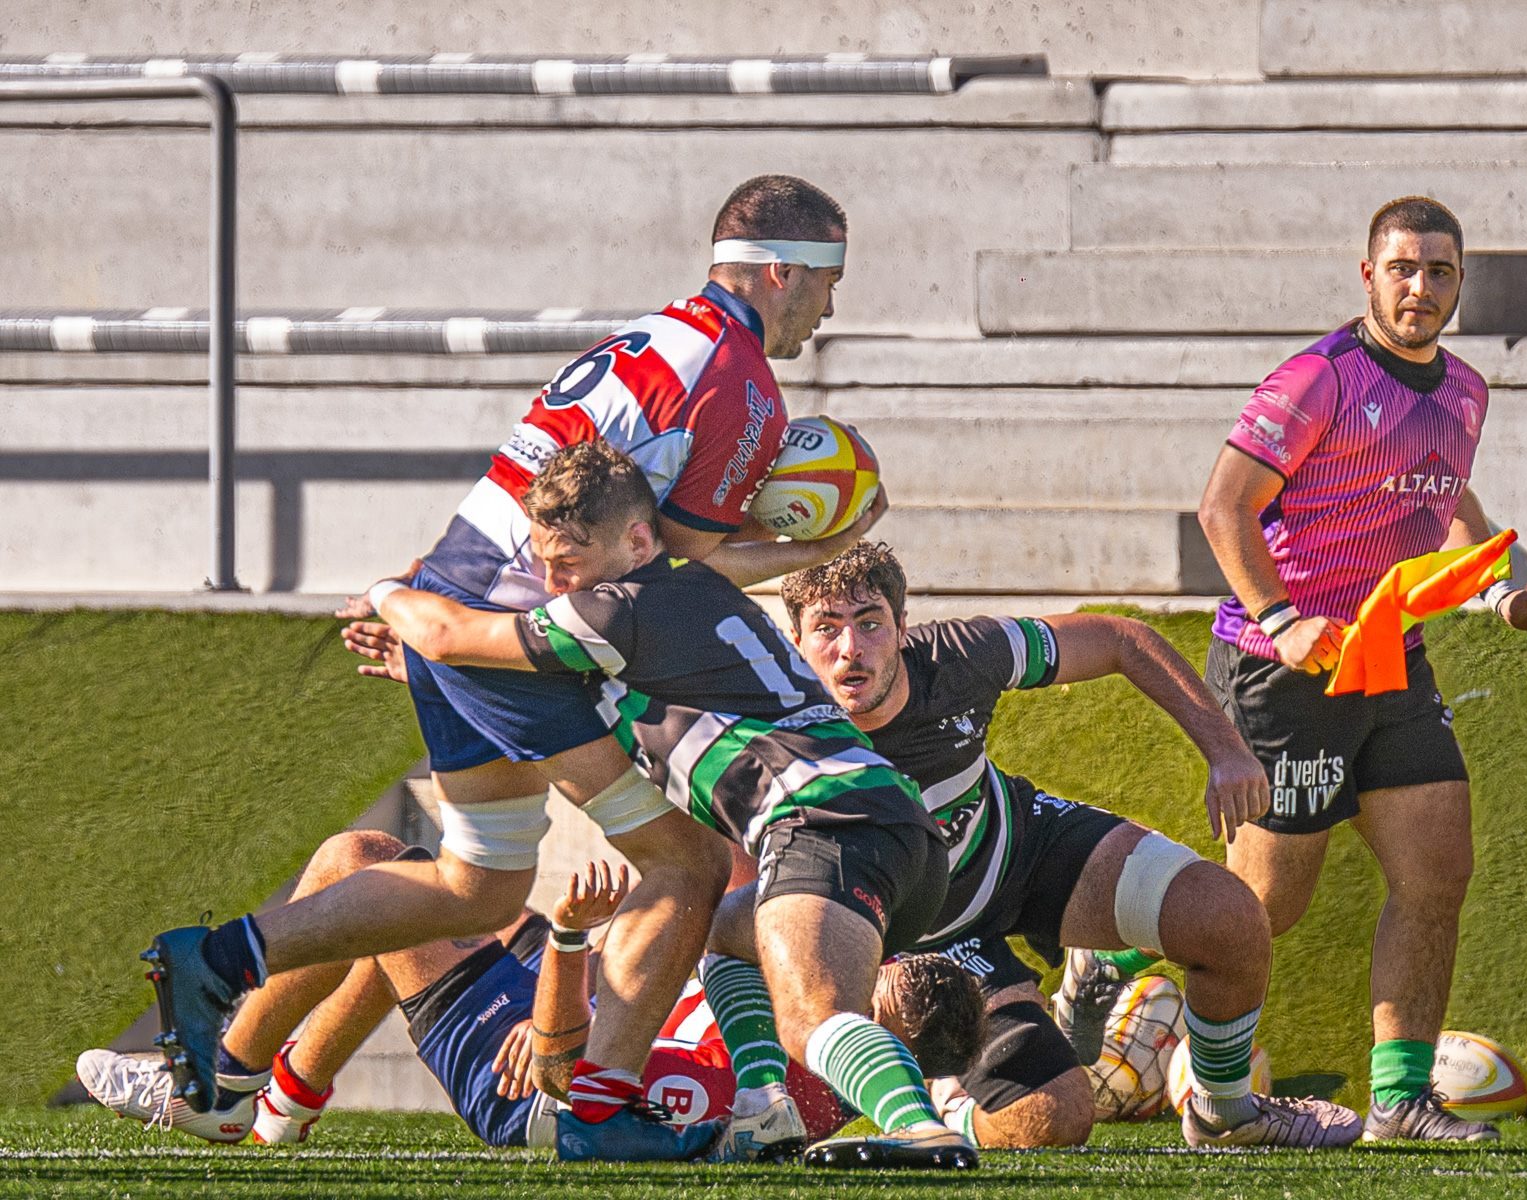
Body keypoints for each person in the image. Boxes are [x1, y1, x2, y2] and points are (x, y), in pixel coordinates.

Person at [135, 174, 883, 1166]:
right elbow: (672, 577)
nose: (831, 312)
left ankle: (219, 958)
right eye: (829, 287)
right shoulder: (739, 382)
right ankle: (599, 1116)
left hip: (462, 590)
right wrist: (812, 539)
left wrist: (429, 602)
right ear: (787, 271)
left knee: (475, 889)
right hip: (518, 635)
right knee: (690, 864)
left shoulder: (649, 337)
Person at [347, 442, 978, 1169]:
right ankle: (763, 1108)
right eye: (544, 560)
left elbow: (448, 631)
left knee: (810, 1017)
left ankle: (922, 1128)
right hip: (897, 829)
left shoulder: (611, 613)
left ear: (637, 541)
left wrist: (386, 591)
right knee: (718, 929)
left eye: (568, 561)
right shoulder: (693, 585)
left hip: (822, 823)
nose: (549, 581)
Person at [697, 540, 1364, 1151]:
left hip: (1017, 847)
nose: (851, 649)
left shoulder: (962, 652)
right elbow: (749, 875)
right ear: (795, 642)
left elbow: (1119, 640)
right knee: (1056, 1121)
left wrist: (1224, 750)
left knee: (1230, 919)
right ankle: (942, 1100)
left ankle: (1225, 1113)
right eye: (827, 629)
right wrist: (866, 959)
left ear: (903, 628)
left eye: (870, 623)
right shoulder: (770, 720)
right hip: (919, 932)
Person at [1195, 197, 1527, 1142]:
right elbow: (1223, 507)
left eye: (1439, 271)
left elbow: (1445, 503)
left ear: (1460, 283)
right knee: (1262, 909)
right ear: (1368, 275)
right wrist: (1282, 619)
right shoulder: (1317, 378)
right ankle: (1148, 1017)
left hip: (1391, 660)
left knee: (1439, 871)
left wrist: (1503, 592)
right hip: (1281, 670)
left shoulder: (1466, 392)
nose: (1420, 287)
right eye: (1403, 268)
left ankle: (1401, 1103)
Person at [85, 836, 983, 1154]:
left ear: (881, 1046)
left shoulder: (746, 1100)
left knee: (357, 869)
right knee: (388, 904)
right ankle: (279, 1101)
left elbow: (568, 1079)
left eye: (871, 988)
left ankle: (222, 1085)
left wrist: (565, 946)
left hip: (521, 1082)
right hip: (565, 1001)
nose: (846, 973)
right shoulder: (786, 1044)